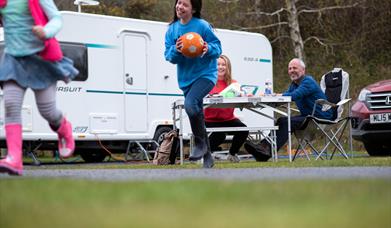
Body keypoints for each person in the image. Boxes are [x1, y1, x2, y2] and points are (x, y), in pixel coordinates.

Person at [0, 0, 79, 175]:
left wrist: (46, 31)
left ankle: (64, 127)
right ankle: (14, 158)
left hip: (41, 59)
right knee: (11, 105)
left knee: (47, 111)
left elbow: (57, 19)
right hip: (14, 60)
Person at [164, 0, 222, 168]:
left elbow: (217, 48)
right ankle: (208, 156)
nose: (179, 6)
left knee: (190, 106)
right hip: (186, 80)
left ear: (193, 9)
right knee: (197, 113)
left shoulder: (202, 26)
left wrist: (207, 48)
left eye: (185, 4)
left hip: (206, 76)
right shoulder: (172, 30)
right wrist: (176, 49)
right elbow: (169, 57)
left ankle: (199, 143)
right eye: (178, 3)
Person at [247, 58, 333, 161]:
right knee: (281, 120)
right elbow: (285, 97)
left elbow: (294, 95)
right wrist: (267, 99)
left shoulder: (308, 81)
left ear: (303, 70)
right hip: (308, 116)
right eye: (290, 68)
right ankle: (263, 148)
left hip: (320, 117)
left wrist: (276, 95)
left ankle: (266, 150)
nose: (292, 70)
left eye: (295, 68)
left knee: (285, 122)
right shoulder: (294, 84)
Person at [204, 55, 249, 163]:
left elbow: (242, 94)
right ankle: (204, 153)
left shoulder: (233, 83)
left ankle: (232, 154)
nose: (221, 67)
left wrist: (246, 95)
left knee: (244, 130)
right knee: (220, 135)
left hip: (228, 119)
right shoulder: (208, 82)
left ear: (228, 67)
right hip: (210, 120)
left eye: (223, 65)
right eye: (218, 64)